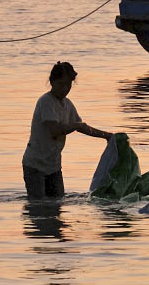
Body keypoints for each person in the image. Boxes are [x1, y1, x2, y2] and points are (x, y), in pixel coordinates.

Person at [22, 61, 113, 199]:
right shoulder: (46, 101)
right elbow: (55, 130)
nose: (64, 89)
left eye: (68, 85)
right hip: (35, 165)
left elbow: (83, 127)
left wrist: (106, 135)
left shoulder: (67, 104)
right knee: (38, 205)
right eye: (61, 84)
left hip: (53, 165)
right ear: (52, 82)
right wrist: (76, 126)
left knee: (57, 204)